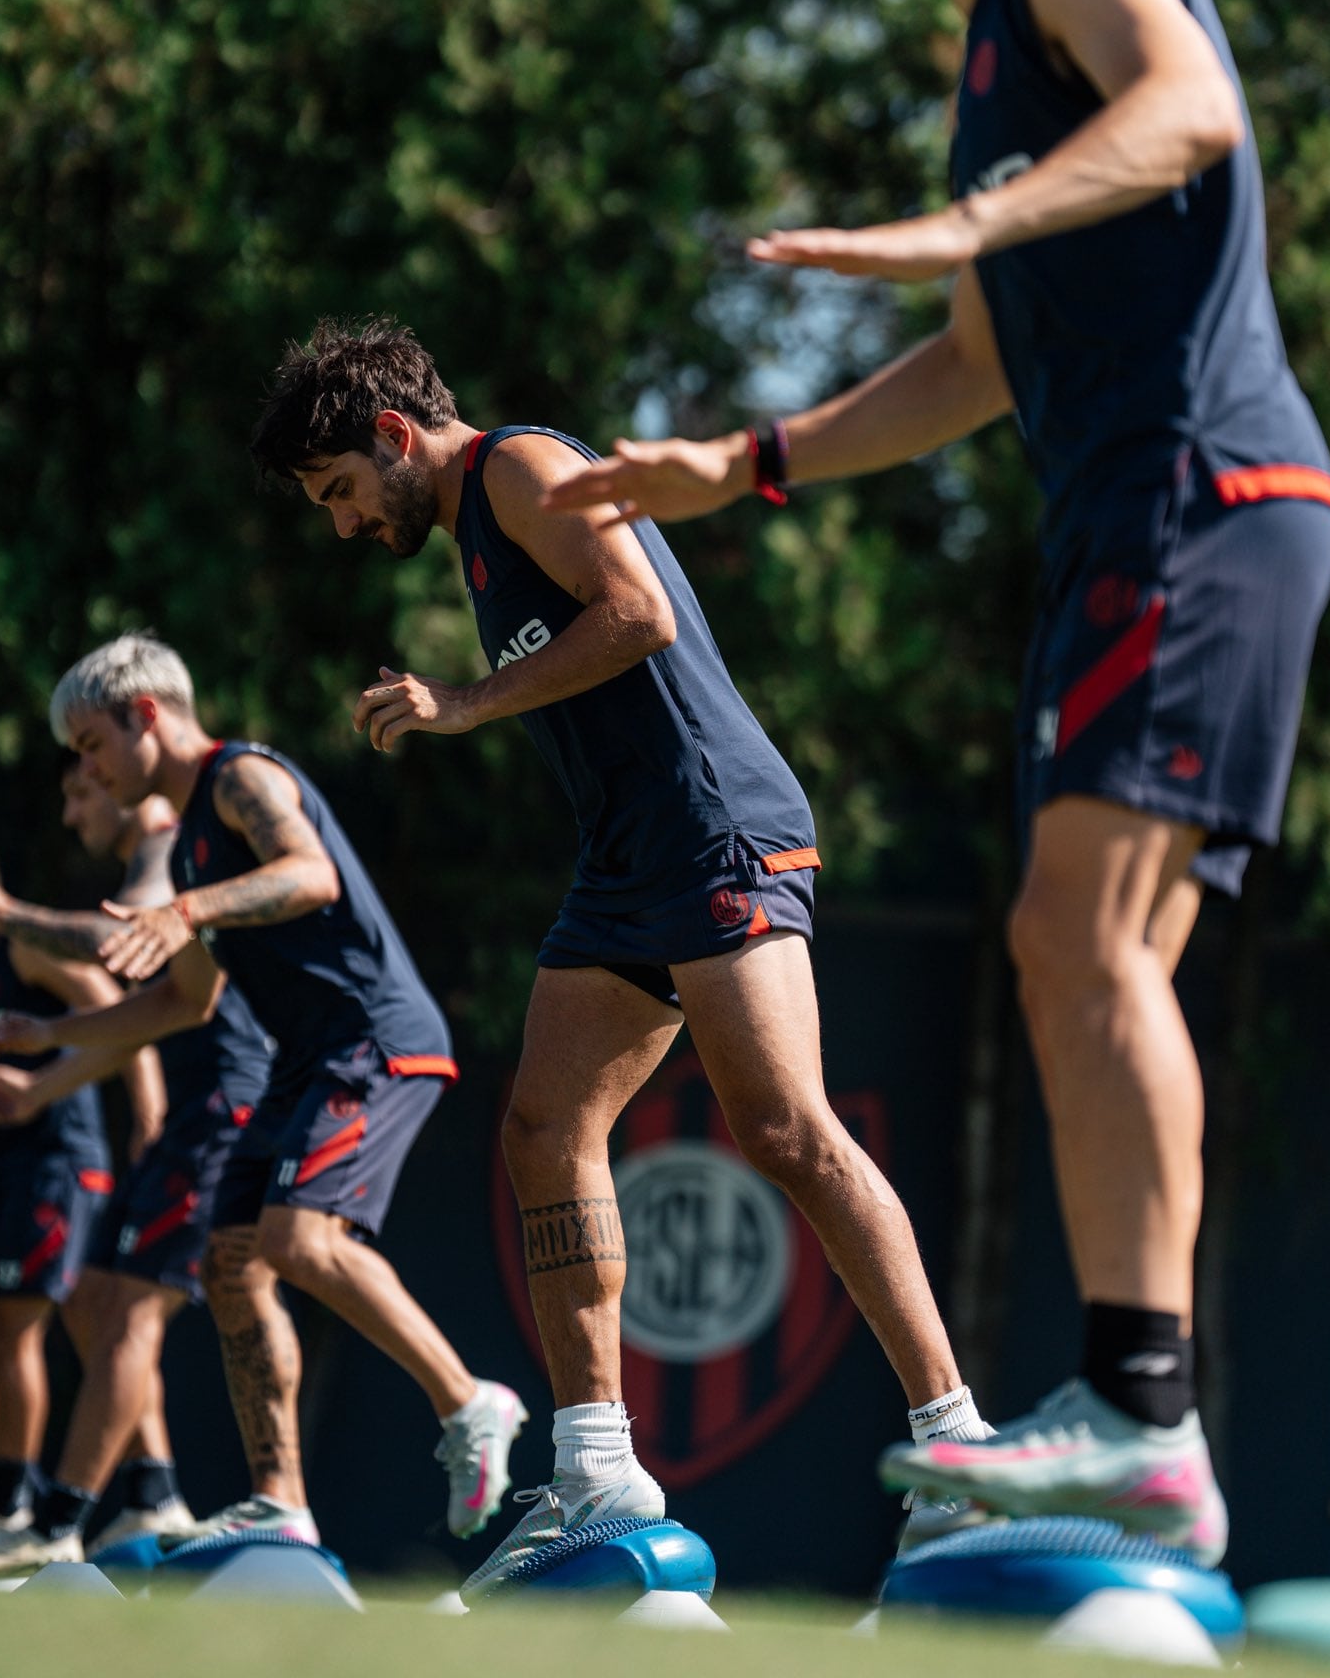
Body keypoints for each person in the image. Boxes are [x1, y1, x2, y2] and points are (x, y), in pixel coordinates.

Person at [541, 0, 1330, 1566]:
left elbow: (1190, 108)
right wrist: (743, 462)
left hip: (1194, 493)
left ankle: (1146, 1417)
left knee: (1077, 938)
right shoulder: (990, 61)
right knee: (1101, 956)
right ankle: (1143, 1413)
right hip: (1142, 520)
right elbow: (974, 368)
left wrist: (961, 226)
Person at [247, 319, 992, 1600]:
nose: (344, 521)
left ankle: (956, 1446)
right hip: (628, 863)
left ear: (394, 434)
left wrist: (463, 703)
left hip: (714, 828)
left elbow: (637, 613)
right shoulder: (477, 521)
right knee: (545, 1129)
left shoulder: (519, 466)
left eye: (339, 489)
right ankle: (597, 1467)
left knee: (787, 1131)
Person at [0, 635, 524, 1553]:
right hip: (304, 1062)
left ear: (145, 715)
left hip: (373, 1041)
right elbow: (184, 1003)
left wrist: (185, 911)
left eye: (91, 746)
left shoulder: (239, 777)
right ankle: (281, 1503)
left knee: (297, 1241)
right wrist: (50, 1038)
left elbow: (310, 874)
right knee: (232, 1265)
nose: (88, 769)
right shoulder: (188, 851)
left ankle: (469, 1401)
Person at [0, 760, 276, 1572]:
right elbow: (154, 1013)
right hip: (195, 1109)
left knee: (131, 1312)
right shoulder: (157, 853)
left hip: (224, 1102)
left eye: (84, 781)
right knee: (95, 1298)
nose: (73, 807)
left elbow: (112, 954)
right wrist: (43, 1073)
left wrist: (4, 913)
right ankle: (151, 1493)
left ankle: (55, 1525)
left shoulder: (164, 840)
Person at [0, 824, 159, 1560]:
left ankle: (15, 1509)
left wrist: (148, 1116)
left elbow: (121, 1014)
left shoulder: (26, 945)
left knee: (16, 1332)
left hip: (56, 1162)